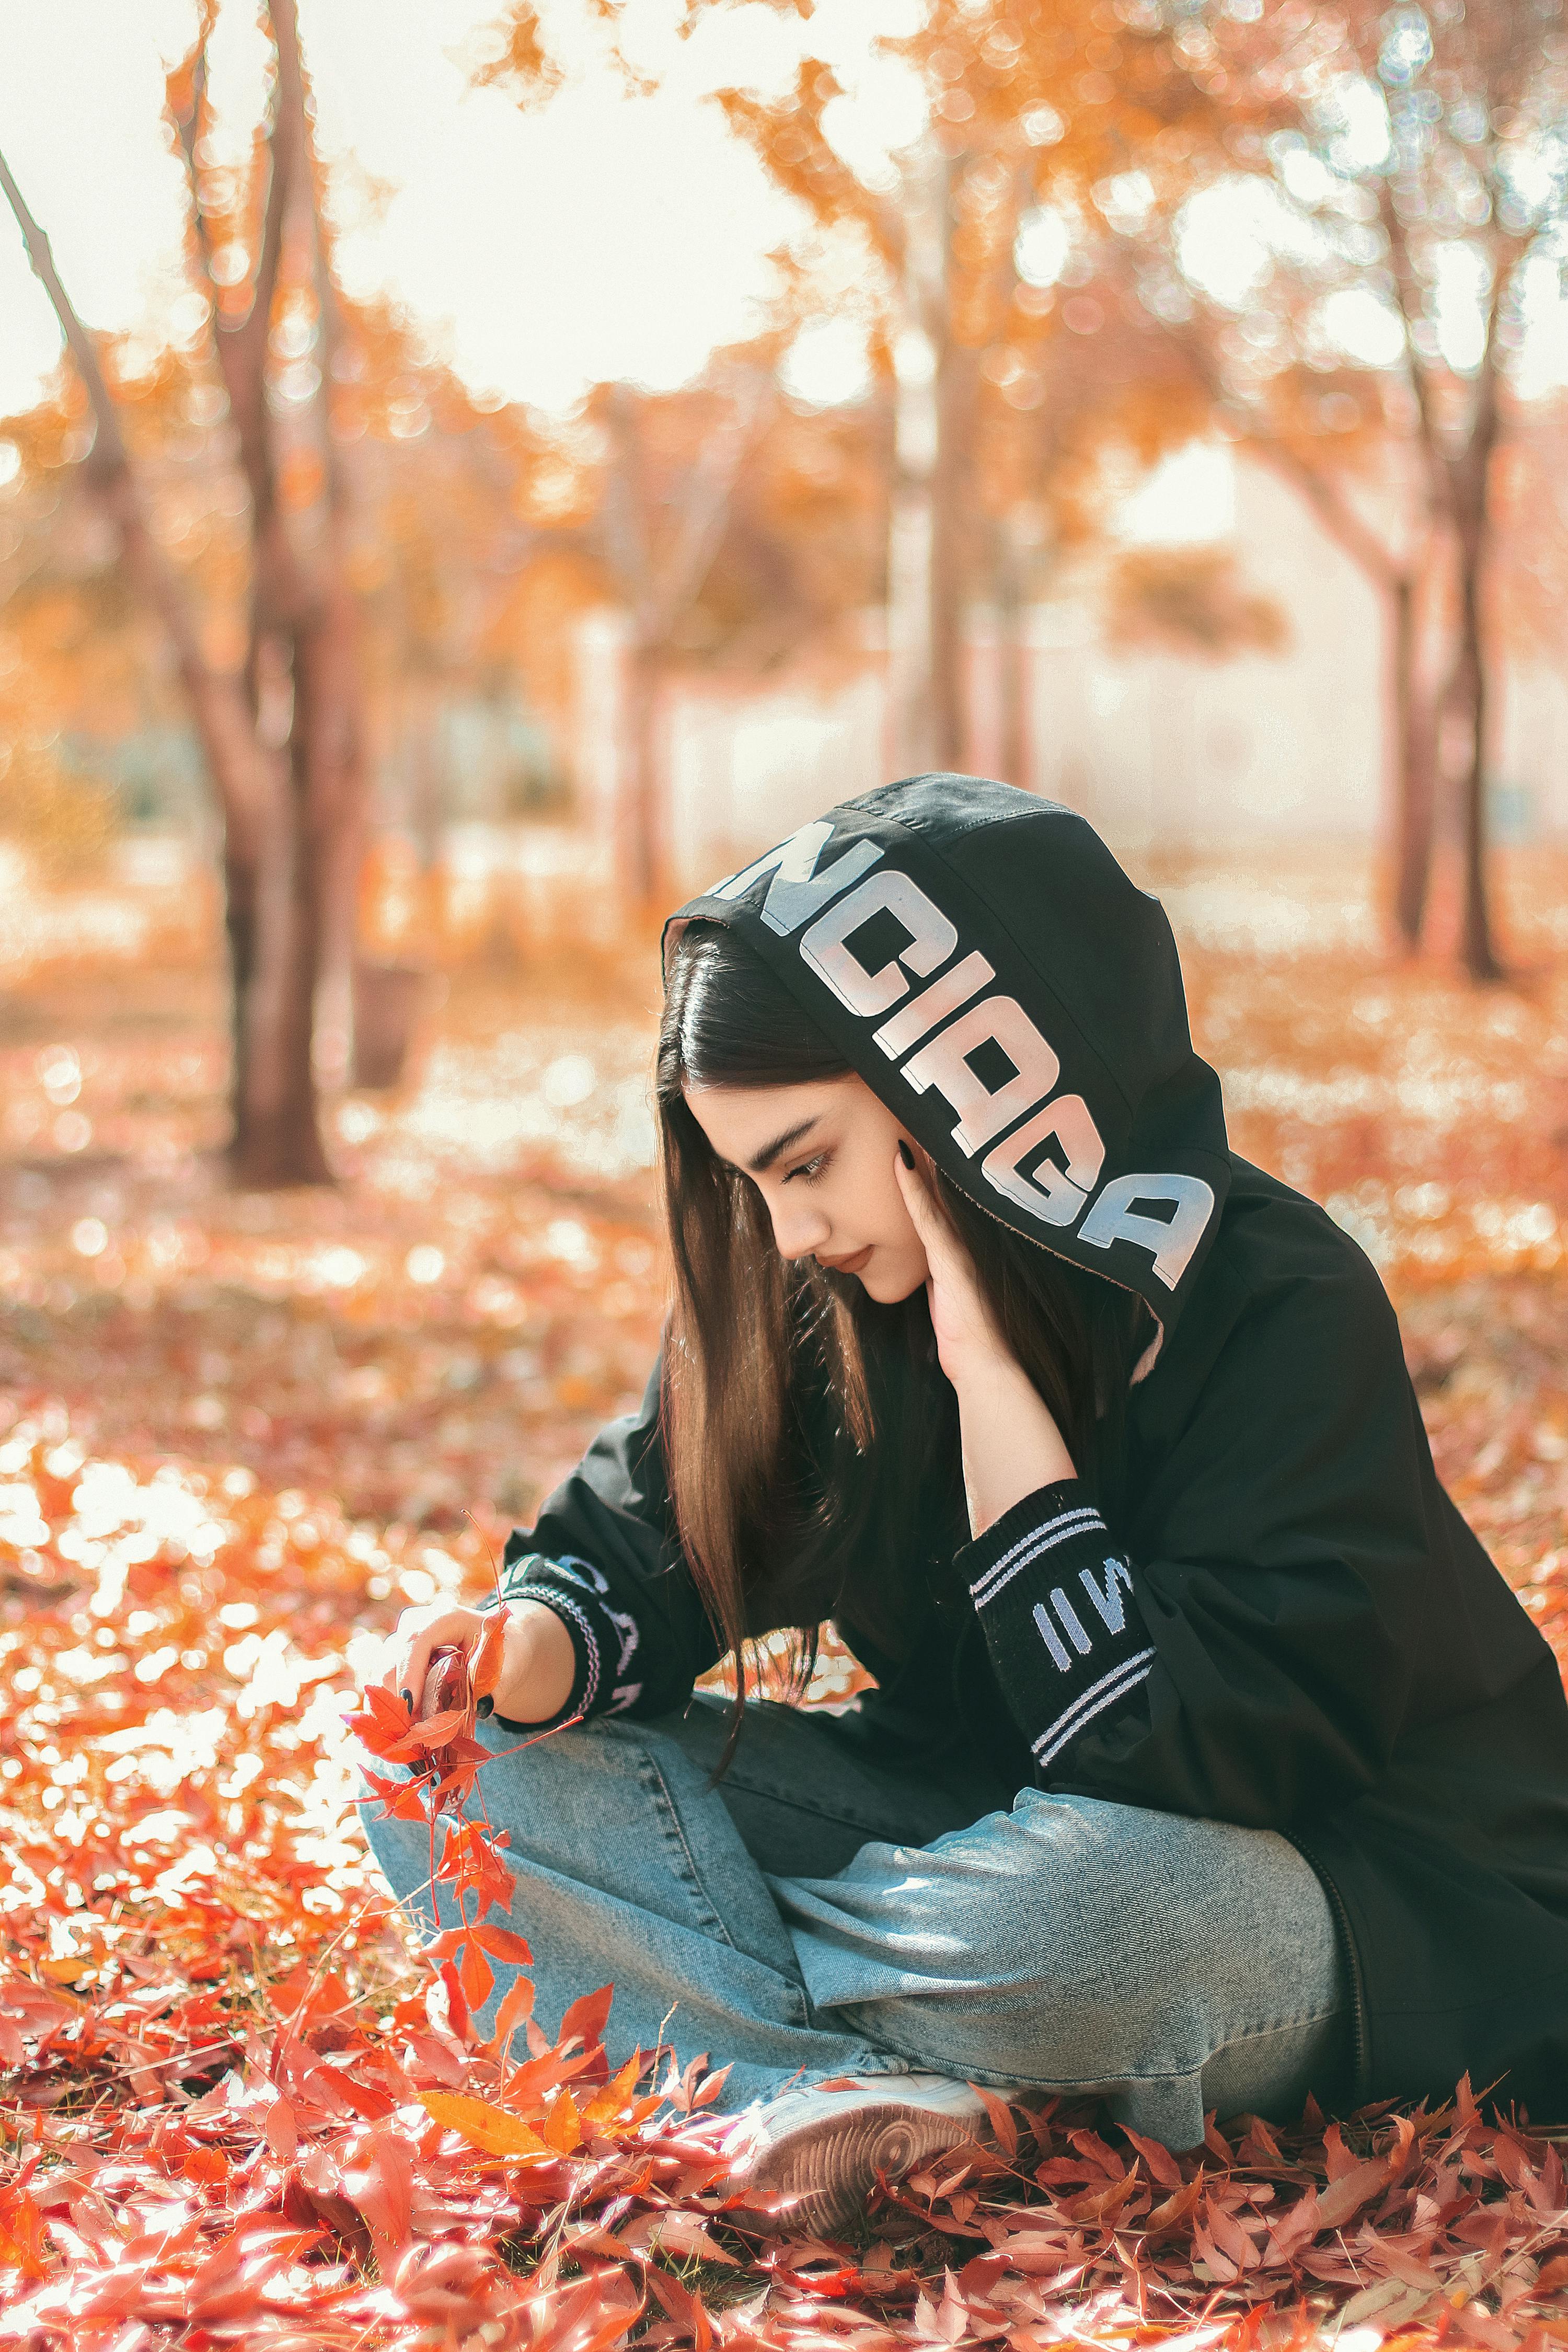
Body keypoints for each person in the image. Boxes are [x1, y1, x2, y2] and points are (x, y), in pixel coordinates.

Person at [361, 774, 1568, 2236]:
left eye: (805, 1162)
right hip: (967, 1826)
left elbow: (1192, 1757)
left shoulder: (1280, 1303)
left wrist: (999, 1399)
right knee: (443, 1761)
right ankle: (808, 2092)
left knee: (1077, 1925)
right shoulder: (832, 1304)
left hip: (1324, 1884)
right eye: (756, 1184)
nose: (792, 1230)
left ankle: (692, 1987)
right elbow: (638, 1545)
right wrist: (507, 1650)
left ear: (970, 1087)